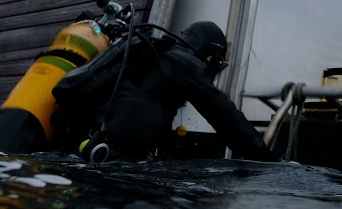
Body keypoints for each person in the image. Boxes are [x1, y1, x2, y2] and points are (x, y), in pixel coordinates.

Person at [51, 20, 276, 163]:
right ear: (209, 55)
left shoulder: (154, 53)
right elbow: (223, 113)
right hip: (113, 158)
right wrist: (265, 158)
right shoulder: (185, 62)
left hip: (84, 143)